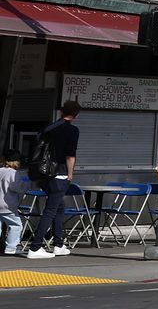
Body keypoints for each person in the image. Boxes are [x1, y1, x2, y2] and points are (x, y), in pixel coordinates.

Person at [26, 101, 82, 260]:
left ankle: (59, 244)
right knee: (50, 210)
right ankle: (35, 247)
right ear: (76, 114)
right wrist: (71, 173)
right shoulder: (71, 130)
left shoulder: (49, 128)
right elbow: (70, 155)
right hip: (59, 174)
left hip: (43, 174)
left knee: (58, 208)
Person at [0, 150, 24, 256]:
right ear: (16, 162)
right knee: (16, 225)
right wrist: (28, 185)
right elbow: (17, 187)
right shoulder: (13, 173)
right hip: (7, 205)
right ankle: (10, 247)